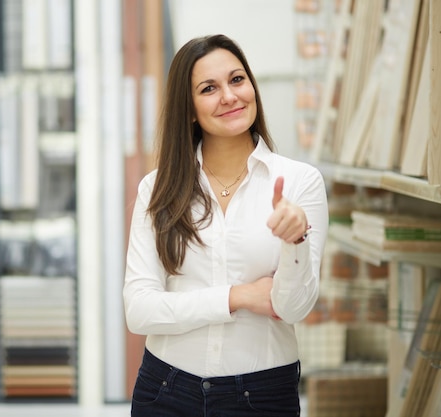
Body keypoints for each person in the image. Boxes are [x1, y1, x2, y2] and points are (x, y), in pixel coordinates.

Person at [123, 34, 329, 417]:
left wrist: (296, 240)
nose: (230, 96)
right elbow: (140, 310)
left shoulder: (301, 183)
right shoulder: (158, 188)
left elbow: (294, 307)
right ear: (189, 109)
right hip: (166, 389)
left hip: (262, 395)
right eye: (209, 88)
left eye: (237, 80)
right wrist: (238, 296)